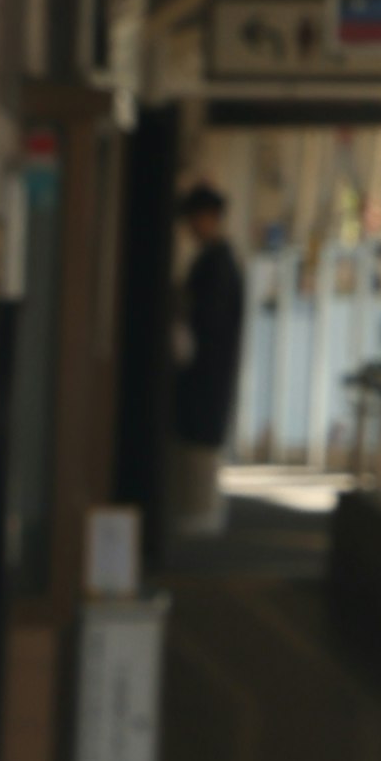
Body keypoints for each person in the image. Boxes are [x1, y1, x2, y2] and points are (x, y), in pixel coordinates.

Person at [164, 176, 244, 540]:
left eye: (194, 217)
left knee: (197, 450)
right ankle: (199, 514)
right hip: (211, 380)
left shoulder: (215, 266)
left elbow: (203, 324)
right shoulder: (222, 263)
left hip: (203, 378)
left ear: (209, 216)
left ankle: (197, 516)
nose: (190, 227)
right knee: (200, 448)